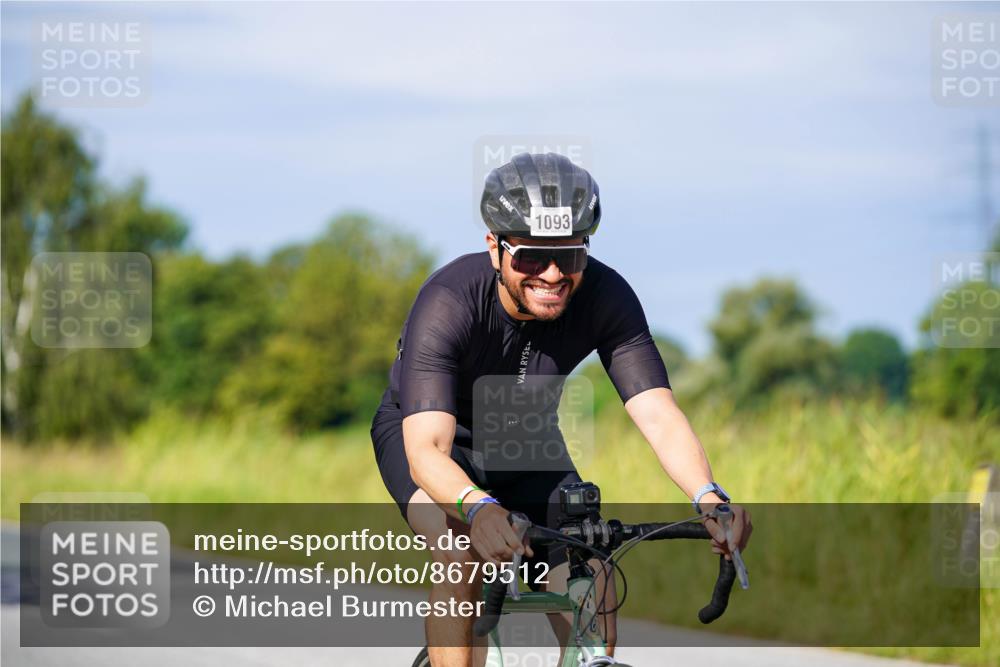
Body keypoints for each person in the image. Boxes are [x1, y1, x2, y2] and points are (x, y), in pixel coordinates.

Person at [371, 152, 752, 667]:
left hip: (521, 431)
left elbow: (657, 413)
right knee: (460, 553)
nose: (552, 274)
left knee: (589, 563)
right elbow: (427, 449)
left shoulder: (607, 295)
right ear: (495, 249)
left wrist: (709, 497)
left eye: (570, 257)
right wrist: (476, 507)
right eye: (531, 257)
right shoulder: (449, 301)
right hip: (430, 435)